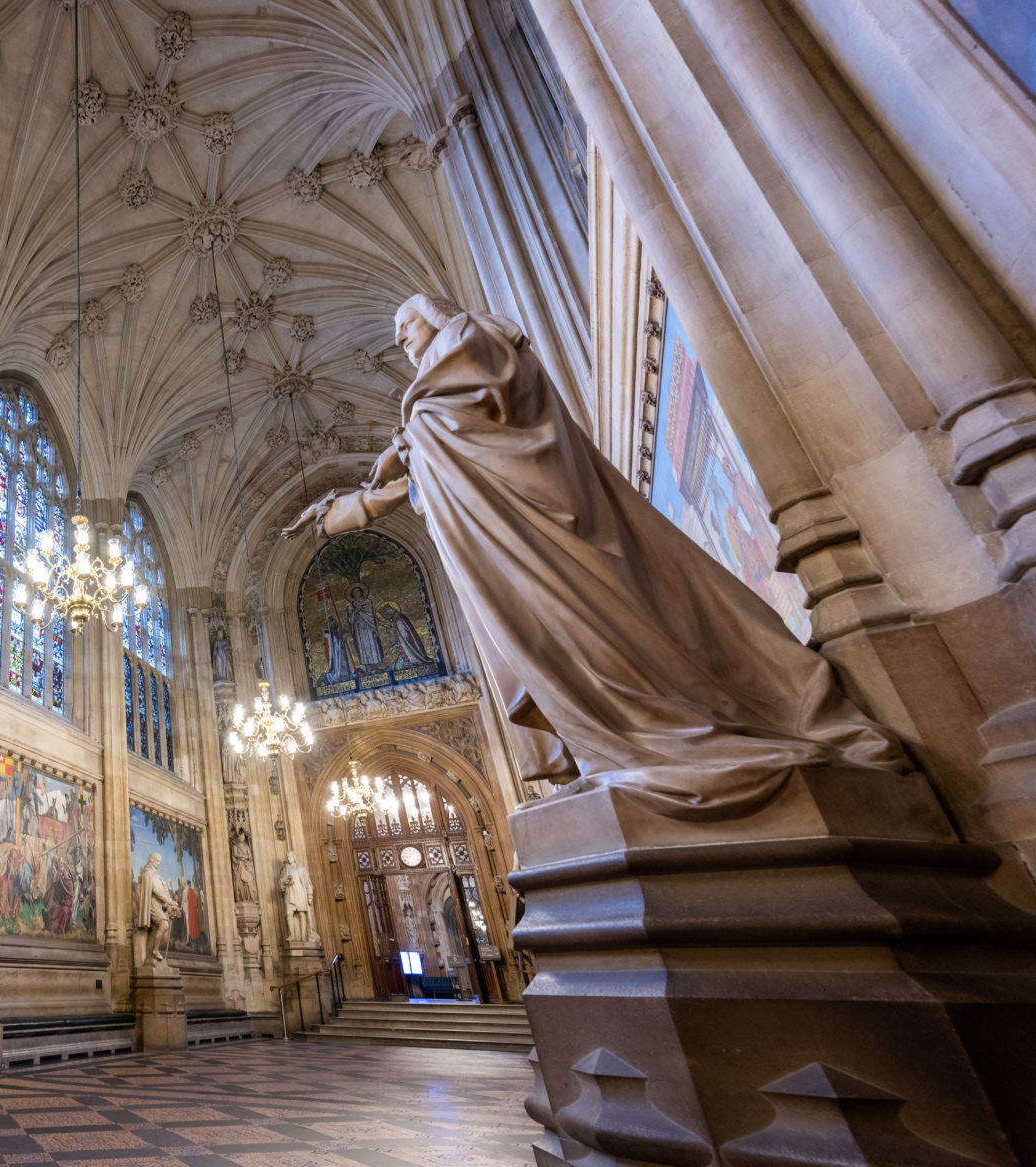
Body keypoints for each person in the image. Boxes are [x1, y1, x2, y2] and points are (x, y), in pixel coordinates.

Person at [284, 294, 906, 817]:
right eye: (397, 339)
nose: (402, 343)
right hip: (514, 547)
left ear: (438, 315)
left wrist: (401, 450)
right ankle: (623, 745)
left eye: (406, 328)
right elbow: (447, 464)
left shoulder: (471, 341)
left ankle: (658, 742)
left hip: (546, 539)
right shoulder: (442, 402)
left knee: (598, 632)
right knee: (563, 644)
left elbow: (460, 438)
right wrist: (363, 501)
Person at [345, 586, 384, 668]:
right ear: (352, 595)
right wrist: (356, 611)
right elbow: (350, 619)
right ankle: (368, 667)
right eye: (354, 592)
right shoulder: (351, 606)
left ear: (361, 593)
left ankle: (377, 666)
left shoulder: (367, 601)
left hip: (368, 626)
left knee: (372, 644)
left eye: (358, 591)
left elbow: (370, 615)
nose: (356, 593)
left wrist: (374, 628)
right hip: (358, 629)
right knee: (362, 647)